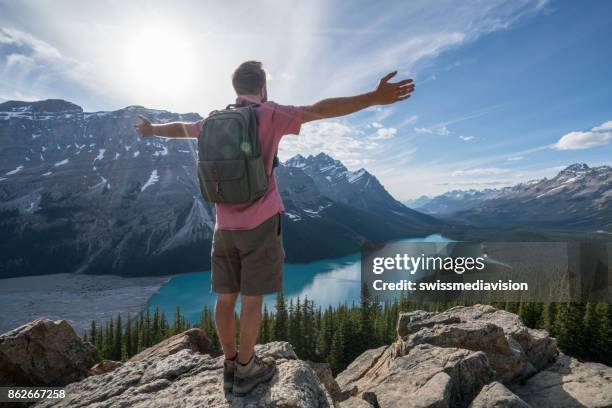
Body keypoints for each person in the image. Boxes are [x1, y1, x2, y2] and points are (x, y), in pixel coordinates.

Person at [134, 60, 415, 396]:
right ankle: (248, 366)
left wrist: (152, 130)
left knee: (226, 296)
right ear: (263, 88)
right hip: (262, 222)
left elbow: (181, 127)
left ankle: (229, 362)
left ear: (235, 89)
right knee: (251, 299)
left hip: (223, 226)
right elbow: (320, 109)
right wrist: (373, 97)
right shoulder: (269, 114)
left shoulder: (211, 121)